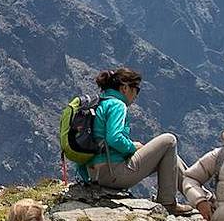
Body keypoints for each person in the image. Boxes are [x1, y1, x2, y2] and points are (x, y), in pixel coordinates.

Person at [79, 67, 192, 213]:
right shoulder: (117, 105)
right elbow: (114, 138)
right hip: (113, 174)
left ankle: (201, 197)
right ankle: (168, 202)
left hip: (95, 174)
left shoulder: (99, 103)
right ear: (124, 87)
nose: (136, 94)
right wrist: (132, 147)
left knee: (169, 156)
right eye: (136, 89)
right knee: (169, 140)